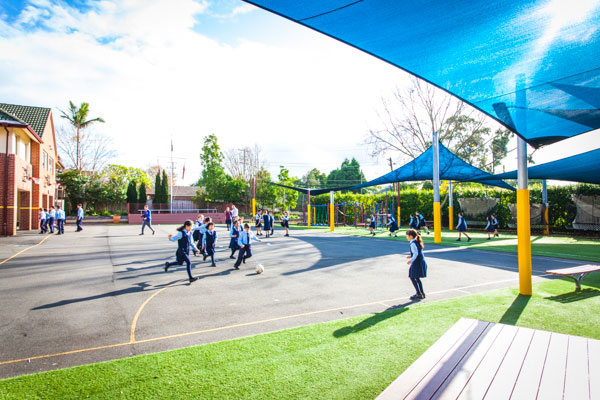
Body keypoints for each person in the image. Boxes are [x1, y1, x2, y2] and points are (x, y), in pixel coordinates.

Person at [405, 229, 427, 300]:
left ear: (411, 236)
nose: (406, 237)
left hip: (417, 262)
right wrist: (411, 256)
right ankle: (421, 293)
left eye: (407, 236)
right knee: (416, 277)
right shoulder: (416, 241)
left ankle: (418, 293)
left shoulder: (413, 243)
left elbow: (416, 253)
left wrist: (411, 260)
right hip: (420, 261)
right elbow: (417, 252)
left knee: (412, 277)